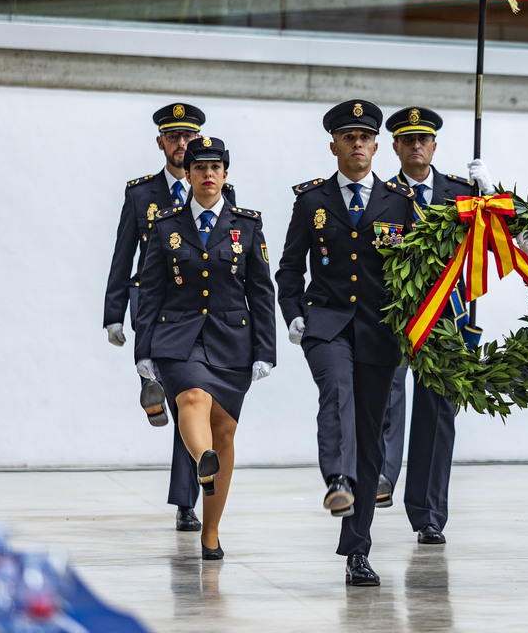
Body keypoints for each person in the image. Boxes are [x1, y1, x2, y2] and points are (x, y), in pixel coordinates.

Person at [276, 99, 417, 586]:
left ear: (378, 146)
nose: (357, 144)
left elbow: (418, 273)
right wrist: (294, 315)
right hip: (327, 324)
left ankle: (358, 550)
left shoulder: (400, 202)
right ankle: (337, 479)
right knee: (336, 390)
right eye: (348, 136)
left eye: (365, 137)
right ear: (333, 144)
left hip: (380, 331)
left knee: (371, 430)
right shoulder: (311, 200)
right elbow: (289, 267)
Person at [134, 136, 275, 561]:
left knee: (226, 430)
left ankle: (210, 531)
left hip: (232, 341)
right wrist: (142, 352)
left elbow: (261, 292)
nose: (208, 174)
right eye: (200, 167)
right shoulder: (165, 225)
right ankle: (202, 456)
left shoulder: (246, 225)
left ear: (225, 175)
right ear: (189, 174)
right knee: (192, 396)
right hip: (177, 339)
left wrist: (266, 350)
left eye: (216, 167)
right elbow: (149, 291)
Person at [103, 102, 235, 533]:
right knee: (184, 398)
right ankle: (151, 385)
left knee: (191, 402)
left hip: (200, 314)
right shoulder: (142, 194)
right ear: (160, 142)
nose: (182, 144)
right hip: (153, 307)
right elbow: (124, 255)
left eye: (189, 137)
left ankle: (185, 501)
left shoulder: (219, 189)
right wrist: (113, 315)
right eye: (174, 137)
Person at [376, 106, 492, 545]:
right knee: (387, 399)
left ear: (435, 146)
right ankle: (383, 478)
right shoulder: (381, 193)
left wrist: (490, 196)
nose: (417, 146)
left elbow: (497, 240)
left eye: (424, 139)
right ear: (396, 147)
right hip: (394, 315)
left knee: (437, 415)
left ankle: (428, 514)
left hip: (446, 317)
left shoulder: (460, 193)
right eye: (408, 140)